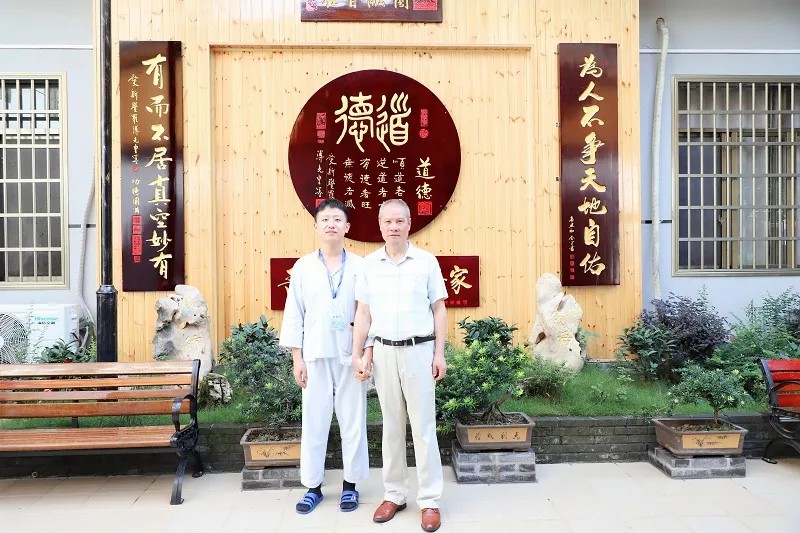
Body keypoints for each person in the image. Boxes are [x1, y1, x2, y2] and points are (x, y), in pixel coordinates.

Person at [352, 198, 447, 533]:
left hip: (419, 352)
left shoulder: (426, 262)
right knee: (391, 427)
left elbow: (439, 308)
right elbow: (363, 313)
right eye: (388, 222)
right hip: (384, 353)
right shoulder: (369, 265)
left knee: (423, 428)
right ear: (380, 225)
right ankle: (394, 494)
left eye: (399, 221)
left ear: (409, 224)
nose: (393, 227)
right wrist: (358, 353)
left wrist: (439, 353)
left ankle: (430, 500)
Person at [280, 198, 370, 515]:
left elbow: (367, 312)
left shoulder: (360, 266)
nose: (331, 224)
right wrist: (297, 358)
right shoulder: (303, 267)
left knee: (353, 421)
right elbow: (294, 313)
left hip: (350, 355)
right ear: (316, 227)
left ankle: (350, 485)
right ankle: (313, 487)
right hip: (315, 355)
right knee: (315, 422)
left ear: (347, 227)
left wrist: (366, 353)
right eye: (325, 219)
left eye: (337, 219)